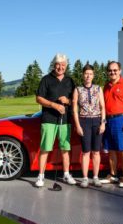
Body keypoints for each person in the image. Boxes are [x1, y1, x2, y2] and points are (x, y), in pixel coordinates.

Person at [35, 53, 76, 187]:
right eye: (58, 64)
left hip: (65, 120)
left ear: (66, 66)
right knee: (45, 148)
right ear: (54, 65)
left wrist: (68, 101)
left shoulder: (70, 81)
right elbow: (39, 98)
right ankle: (40, 176)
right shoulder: (46, 79)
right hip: (49, 119)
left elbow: (75, 101)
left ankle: (66, 175)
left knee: (65, 149)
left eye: (63, 65)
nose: (60, 67)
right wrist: (54, 105)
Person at [100, 61, 123, 188]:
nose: (112, 72)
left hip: (122, 120)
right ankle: (113, 175)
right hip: (109, 121)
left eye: (115, 70)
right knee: (111, 150)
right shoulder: (106, 86)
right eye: (110, 70)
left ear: (120, 71)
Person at [72, 64, 106, 188]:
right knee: (86, 152)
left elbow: (103, 107)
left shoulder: (98, 88)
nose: (88, 76)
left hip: (97, 121)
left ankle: (96, 177)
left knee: (96, 152)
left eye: (90, 74)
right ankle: (85, 178)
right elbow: (75, 109)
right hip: (84, 121)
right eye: (86, 73)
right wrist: (78, 125)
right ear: (83, 75)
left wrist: (103, 123)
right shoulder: (77, 89)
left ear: (93, 75)